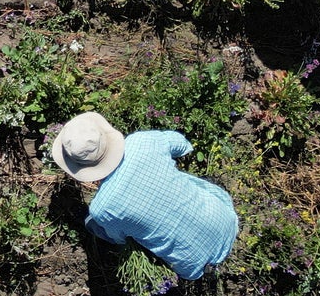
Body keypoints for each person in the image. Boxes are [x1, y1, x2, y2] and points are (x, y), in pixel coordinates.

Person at [52, 111, 238, 281]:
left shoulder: (102, 208)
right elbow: (183, 146)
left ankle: (78, 217)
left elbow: (120, 239)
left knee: (92, 224)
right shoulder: (142, 142)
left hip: (195, 264)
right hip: (227, 217)